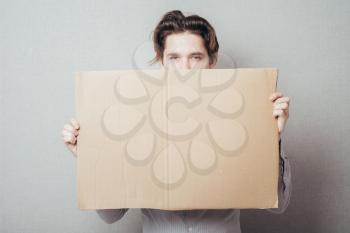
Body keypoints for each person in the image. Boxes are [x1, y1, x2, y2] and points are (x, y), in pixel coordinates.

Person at [61, 10, 291, 233]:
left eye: (196, 57)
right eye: (174, 58)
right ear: (162, 62)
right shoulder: (136, 118)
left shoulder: (240, 117)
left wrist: (271, 140)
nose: (185, 69)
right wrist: (90, 157)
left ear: (212, 61)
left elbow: (278, 205)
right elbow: (111, 216)